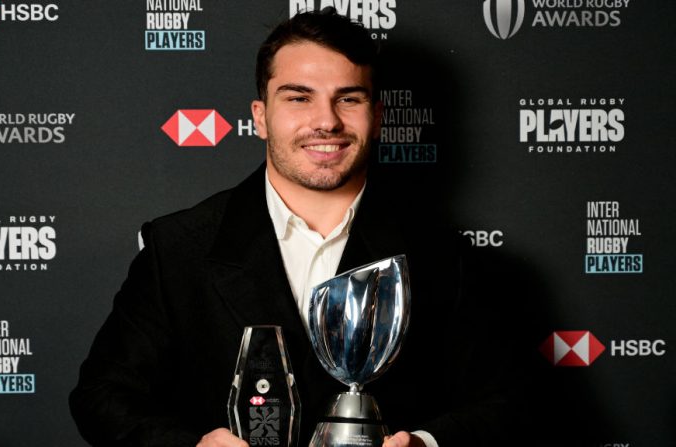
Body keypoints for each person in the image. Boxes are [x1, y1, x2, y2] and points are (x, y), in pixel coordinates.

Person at [70, 9, 528, 447]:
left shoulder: (440, 254)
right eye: (298, 97)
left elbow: (505, 403)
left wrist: (423, 444)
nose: (326, 121)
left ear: (379, 117)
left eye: (349, 98)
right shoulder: (179, 246)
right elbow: (101, 398)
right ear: (260, 116)